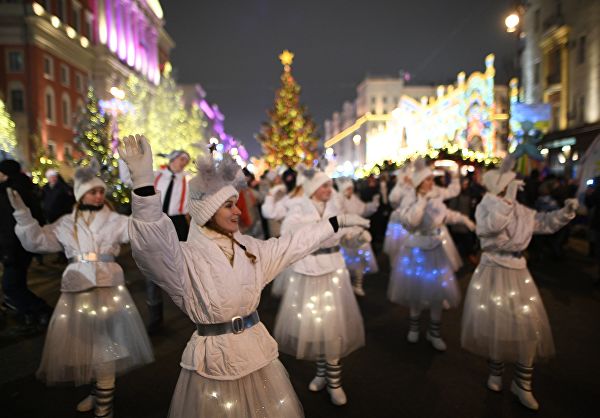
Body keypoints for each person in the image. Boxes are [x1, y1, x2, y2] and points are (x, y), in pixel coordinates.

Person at [120, 135, 369, 417]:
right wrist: (142, 186)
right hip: (213, 363)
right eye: (228, 205)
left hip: (257, 354)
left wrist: (336, 222)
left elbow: (294, 244)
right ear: (208, 211)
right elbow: (153, 246)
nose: (239, 210)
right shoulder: (184, 258)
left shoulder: (251, 248)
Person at [7, 160, 154, 418]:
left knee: (106, 346)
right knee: (86, 345)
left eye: (101, 191)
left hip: (107, 290)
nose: (99, 195)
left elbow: (143, 230)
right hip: (77, 290)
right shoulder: (66, 223)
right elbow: (38, 241)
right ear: (80, 194)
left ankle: (104, 406)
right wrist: (23, 216)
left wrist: (142, 192)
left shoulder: (116, 220)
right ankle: (97, 392)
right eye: (92, 191)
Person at [461, 158, 578, 411]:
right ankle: (496, 373)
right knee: (496, 325)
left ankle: (522, 384)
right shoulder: (486, 207)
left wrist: (565, 213)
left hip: (518, 273)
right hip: (493, 271)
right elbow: (491, 228)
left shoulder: (520, 210)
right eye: (510, 184)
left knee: (528, 327)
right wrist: (507, 202)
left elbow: (543, 223)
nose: (516, 186)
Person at [274, 168, 368, 406]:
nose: (329, 190)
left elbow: (347, 235)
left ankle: (335, 381)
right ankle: (321, 373)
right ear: (313, 189)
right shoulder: (297, 211)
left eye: (330, 185)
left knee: (333, 326)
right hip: (307, 273)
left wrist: (358, 238)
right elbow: (288, 236)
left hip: (333, 272)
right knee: (316, 326)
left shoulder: (336, 208)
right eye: (324, 186)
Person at [388, 158, 475, 351]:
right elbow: (412, 222)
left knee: (437, 292)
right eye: (427, 180)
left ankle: (434, 332)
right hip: (415, 249)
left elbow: (445, 215)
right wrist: (421, 201)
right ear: (419, 182)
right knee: (416, 290)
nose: (431, 182)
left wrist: (463, 220)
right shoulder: (409, 199)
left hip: (436, 249)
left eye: (431, 179)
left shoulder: (435, 196)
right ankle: (414, 326)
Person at [0, 159, 52, 326]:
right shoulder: (19, 188)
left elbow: (9, 225)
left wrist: (8, 251)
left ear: (5, 173)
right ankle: (30, 313)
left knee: (11, 285)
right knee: (16, 284)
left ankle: (41, 310)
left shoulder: (13, 193)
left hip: (17, 248)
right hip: (19, 247)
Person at [147, 149, 191, 333]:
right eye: (181, 159)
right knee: (152, 267)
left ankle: (191, 307)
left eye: (186, 160)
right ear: (173, 159)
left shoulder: (188, 179)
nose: (183, 163)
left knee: (181, 267)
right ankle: (155, 317)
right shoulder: (157, 176)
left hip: (178, 222)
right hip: (156, 220)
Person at [336, 178, 380, 296]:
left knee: (360, 262)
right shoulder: (338, 200)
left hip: (358, 232)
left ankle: (358, 284)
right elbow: (339, 217)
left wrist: (373, 204)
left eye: (351, 188)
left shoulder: (354, 199)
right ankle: (347, 286)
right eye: (348, 188)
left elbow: (363, 209)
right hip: (346, 234)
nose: (350, 190)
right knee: (346, 264)